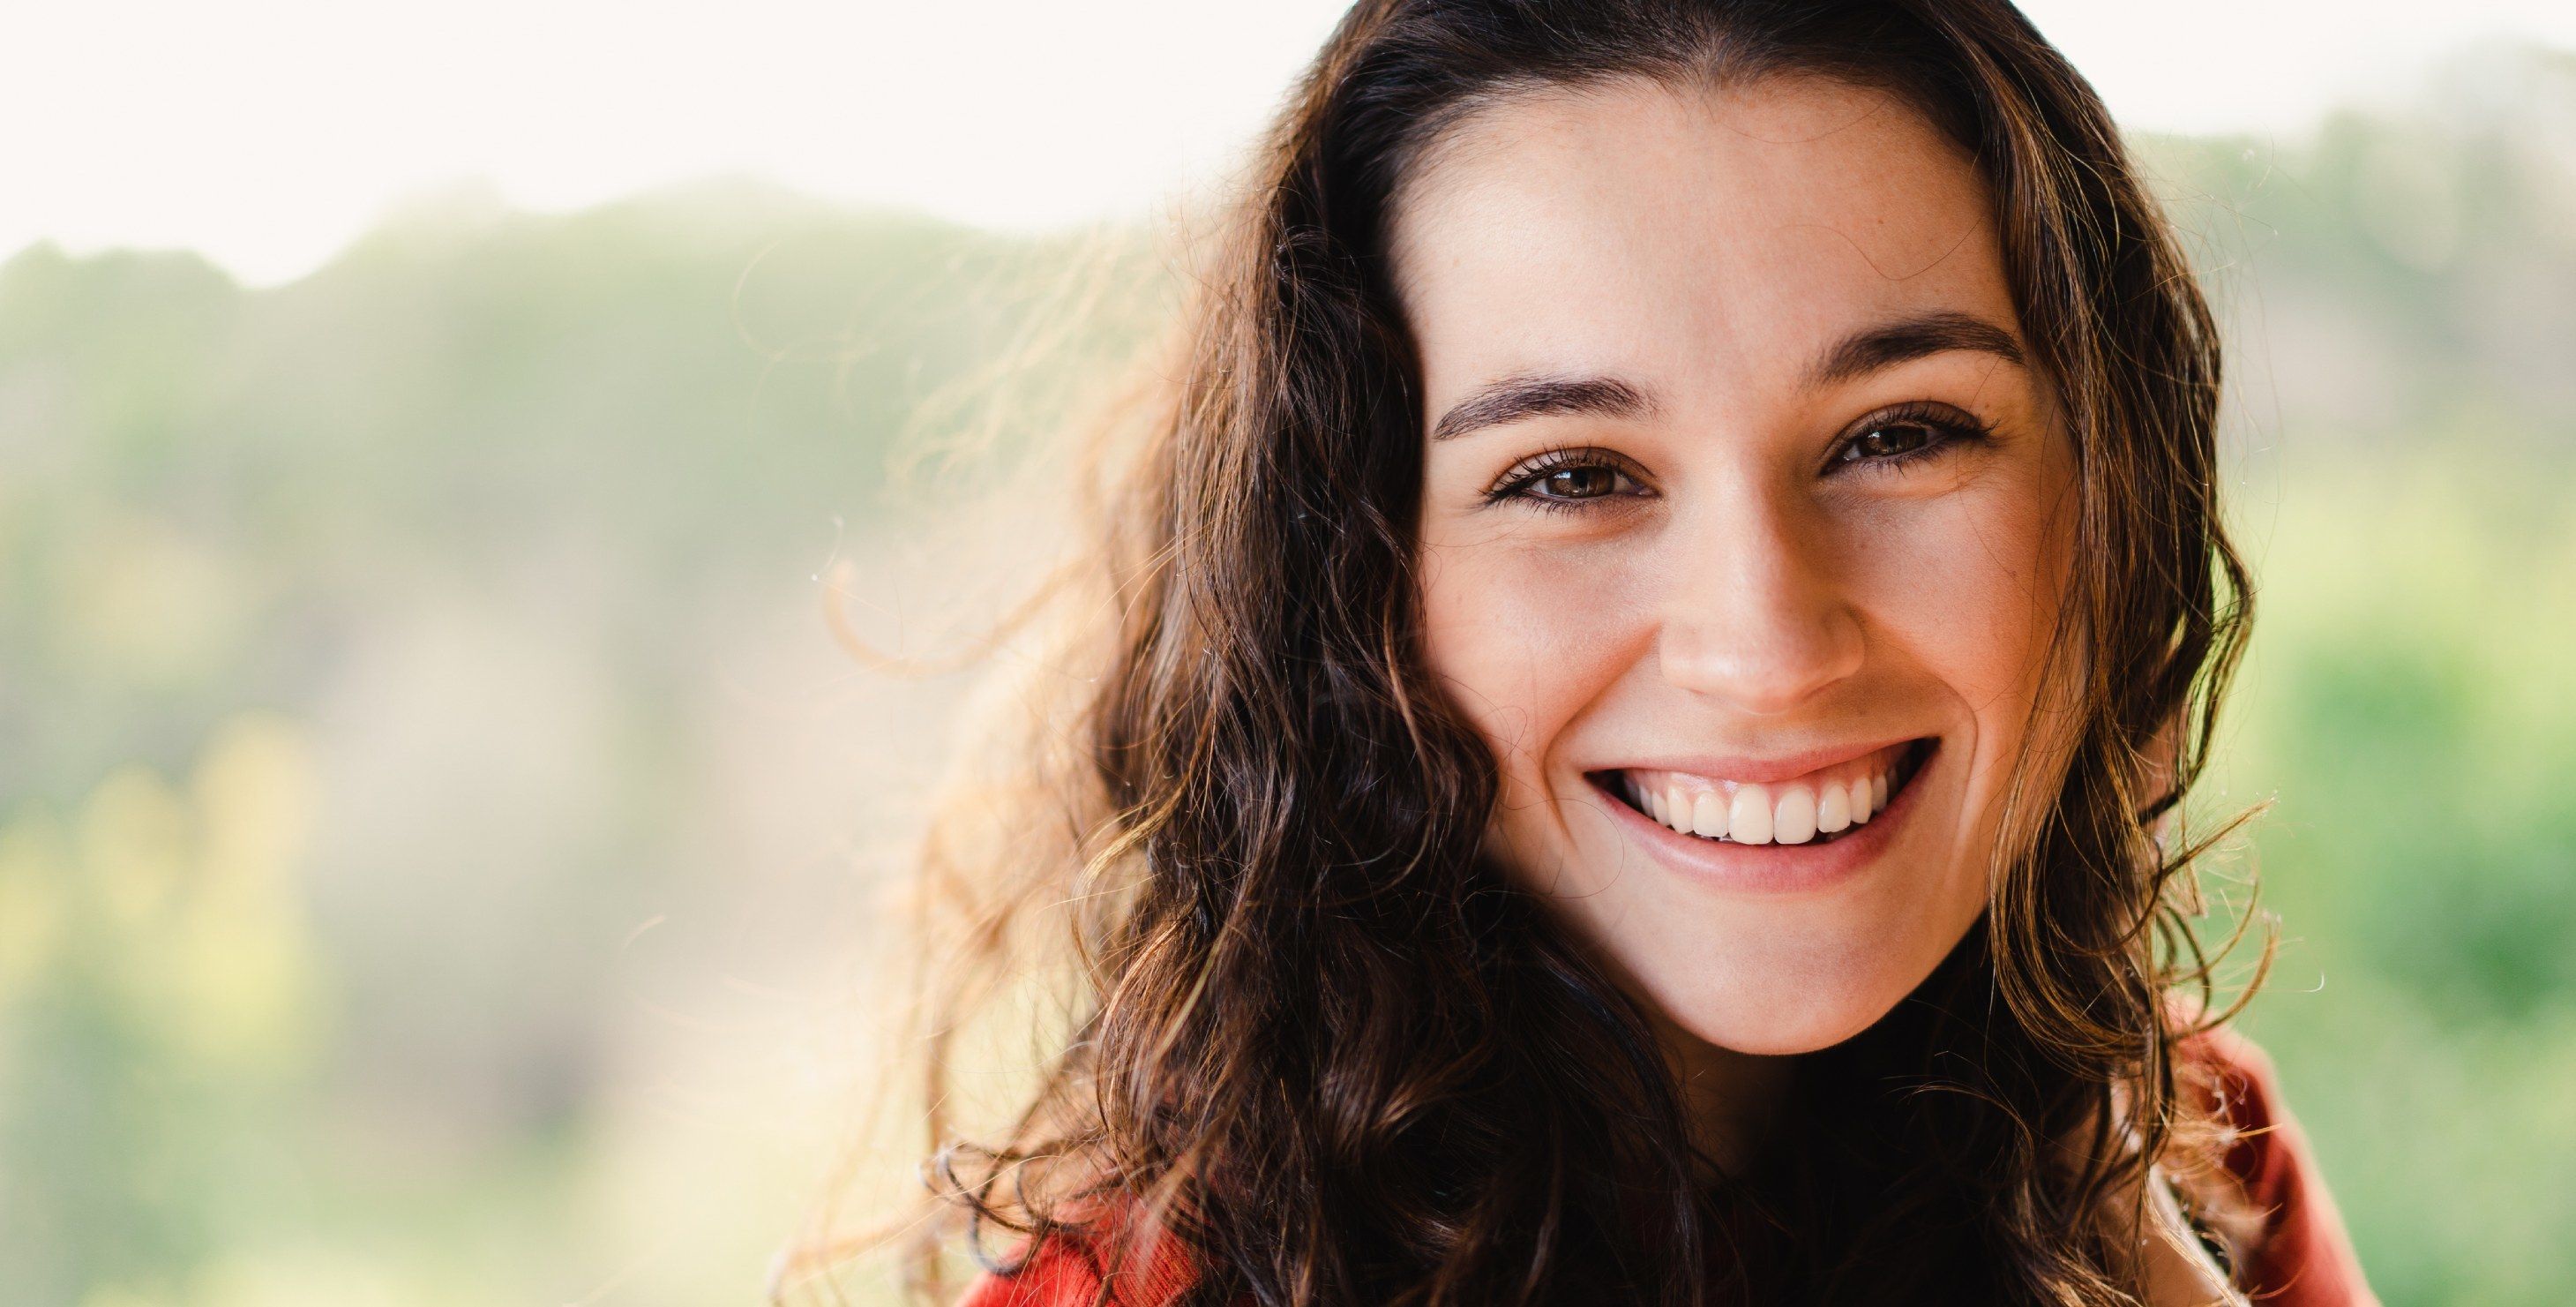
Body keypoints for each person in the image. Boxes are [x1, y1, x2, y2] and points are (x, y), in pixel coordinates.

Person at [882, 2, 2380, 1303]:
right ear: (1352, 583)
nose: (1767, 645)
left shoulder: (2181, 1143)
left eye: (1899, 435)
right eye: (1571, 476)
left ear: (2112, 496)